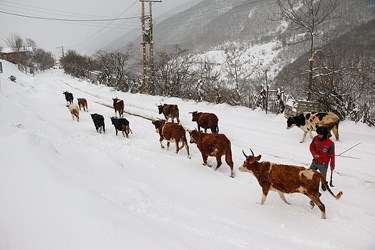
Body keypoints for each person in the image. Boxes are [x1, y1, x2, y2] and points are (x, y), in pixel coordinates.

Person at [309, 126, 335, 191]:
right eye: (318, 134)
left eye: (320, 134)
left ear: (325, 134)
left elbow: (332, 155)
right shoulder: (315, 138)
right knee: (309, 173)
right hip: (315, 162)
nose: (319, 136)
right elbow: (311, 147)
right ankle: (309, 184)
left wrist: (332, 165)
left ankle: (324, 186)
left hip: (323, 164)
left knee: (323, 177)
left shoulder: (330, 143)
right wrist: (314, 154)